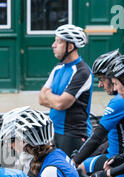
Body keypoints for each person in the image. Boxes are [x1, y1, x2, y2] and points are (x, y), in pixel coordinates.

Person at [71, 49, 124, 177]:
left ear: (112, 77)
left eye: (101, 79)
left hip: (120, 162)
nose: (100, 84)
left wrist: (75, 159)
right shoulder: (122, 98)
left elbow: (98, 136)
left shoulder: (119, 101)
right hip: (111, 156)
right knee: (81, 169)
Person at [38, 24, 93, 157]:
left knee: (71, 175)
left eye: (59, 41)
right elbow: (41, 98)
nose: (53, 45)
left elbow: (61, 104)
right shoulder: (58, 68)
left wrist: (50, 96)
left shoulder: (82, 72)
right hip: (53, 131)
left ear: (71, 46)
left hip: (73, 135)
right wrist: (55, 99)